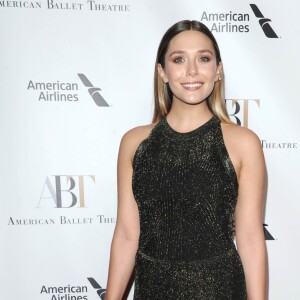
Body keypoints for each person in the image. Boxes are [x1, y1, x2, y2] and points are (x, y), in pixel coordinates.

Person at [105, 20, 267, 299]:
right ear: (163, 72)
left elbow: (251, 239)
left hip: (220, 290)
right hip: (153, 290)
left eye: (203, 59)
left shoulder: (243, 143)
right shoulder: (135, 143)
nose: (192, 70)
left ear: (217, 70)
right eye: (179, 59)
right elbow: (127, 235)